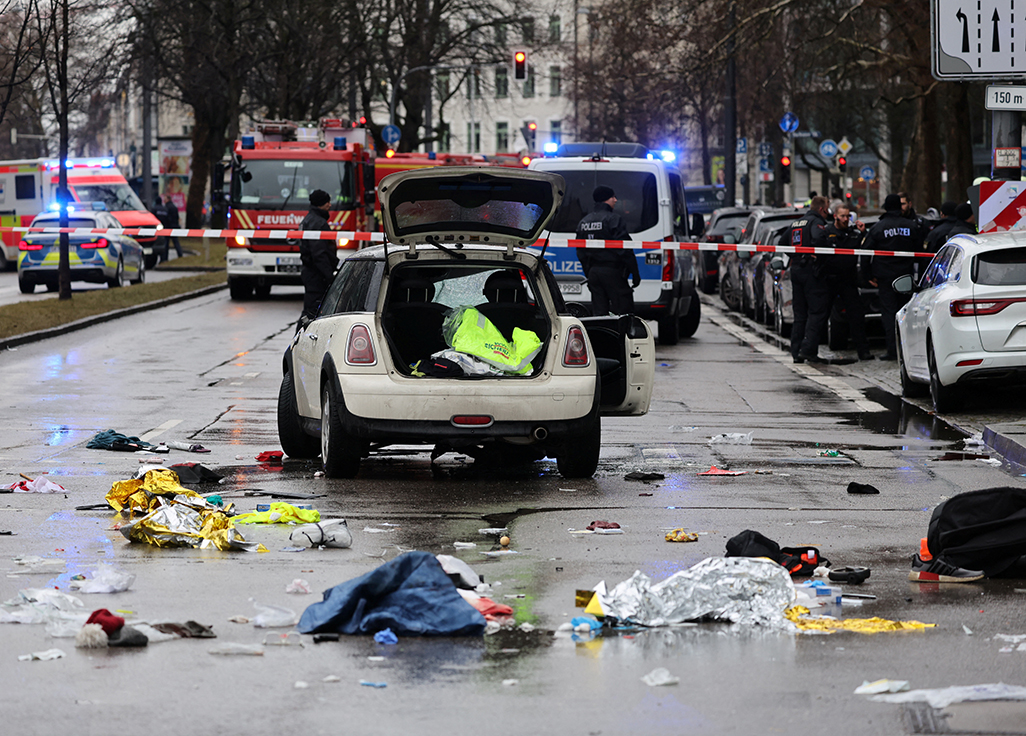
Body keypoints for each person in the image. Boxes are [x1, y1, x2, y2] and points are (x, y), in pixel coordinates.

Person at [864, 193, 926, 360]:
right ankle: (908, 350)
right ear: (900, 207)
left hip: (885, 278)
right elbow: (920, 253)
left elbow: (865, 253)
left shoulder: (878, 228)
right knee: (906, 313)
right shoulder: (912, 227)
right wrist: (921, 278)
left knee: (889, 314)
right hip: (905, 277)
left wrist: (867, 275)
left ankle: (893, 351)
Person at [575, 185, 640, 315]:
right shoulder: (613, 219)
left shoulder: (584, 222)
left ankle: (602, 335)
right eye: (613, 197)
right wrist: (635, 273)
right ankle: (621, 335)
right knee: (624, 310)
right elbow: (624, 249)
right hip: (613, 272)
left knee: (599, 313)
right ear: (606, 199)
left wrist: (589, 272)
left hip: (594, 273)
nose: (615, 200)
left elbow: (580, 251)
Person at [821, 206, 873, 361]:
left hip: (848, 280)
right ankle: (810, 349)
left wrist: (864, 232)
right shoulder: (826, 232)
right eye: (843, 216)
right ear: (836, 216)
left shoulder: (853, 234)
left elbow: (867, 246)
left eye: (848, 216)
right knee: (821, 315)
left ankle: (863, 351)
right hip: (830, 279)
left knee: (856, 317)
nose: (846, 219)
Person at [788, 195, 831, 363]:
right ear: (821, 209)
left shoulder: (796, 223)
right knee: (817, 311)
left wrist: (796, 256)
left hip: (796, 269)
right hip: (810, 271)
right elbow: (819, 238)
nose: (829, 211)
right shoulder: (816, 222)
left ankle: (796, 351)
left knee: (800, 314)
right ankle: (808, 350)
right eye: (827, 207)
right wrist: (818, 256)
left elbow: (784, 242)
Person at [299, 189, 338, 322]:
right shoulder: (318, 223)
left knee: (312, 309)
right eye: (327, 202)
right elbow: (319, 253)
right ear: (321, 203)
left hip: (312, 274)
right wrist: (329, 276)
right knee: (312, 312)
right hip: (317, 275)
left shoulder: (310, 220)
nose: (330, 205)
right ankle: (301, 340)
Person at [162, 194, 183, 258]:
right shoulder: (174, 206)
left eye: (165, 199)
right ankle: (180, 254)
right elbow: (177, 217)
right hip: (174, 226)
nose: (164, 200)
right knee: (176, 242)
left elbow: (166, 218)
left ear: (168, 199)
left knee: (166, 243)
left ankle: (165, 257)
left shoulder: (166, 207)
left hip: (168, 227)